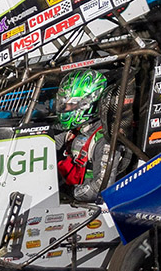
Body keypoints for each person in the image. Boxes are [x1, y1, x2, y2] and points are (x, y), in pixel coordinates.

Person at [54, 69, 130, 202]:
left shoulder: (104, 139)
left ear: (88, 103)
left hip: (84, 208)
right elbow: (47, 143)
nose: (64, 109)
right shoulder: (77, 129)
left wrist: (69, 194)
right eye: (62, 103)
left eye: (70, 104)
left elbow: (101, 188)